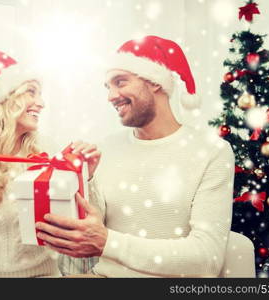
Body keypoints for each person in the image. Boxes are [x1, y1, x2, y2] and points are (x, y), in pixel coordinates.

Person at [35, 35, 235, 277]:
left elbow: (206, 258)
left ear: (155, 82)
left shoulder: (212, 152)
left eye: (120, 82)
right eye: (108, 87)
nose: (111, 96)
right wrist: (84, 180)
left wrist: (109, 242)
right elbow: (90, 233)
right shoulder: (106, 148)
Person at [0, 49, 101, 277]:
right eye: (31, 92)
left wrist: (85, 178)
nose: (42, 103)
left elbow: (86, 233)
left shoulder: (47, 151)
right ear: (5, 99)